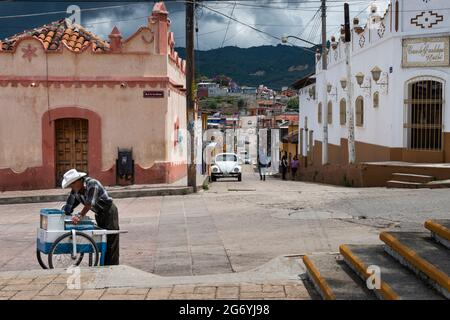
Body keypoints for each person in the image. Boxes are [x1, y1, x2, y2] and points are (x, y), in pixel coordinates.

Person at [61, 169, 120, 265]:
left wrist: (79, 216)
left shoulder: (92, 184)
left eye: (72, 184)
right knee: (103, 239)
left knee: (111, 240)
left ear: (79, 181)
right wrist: (63, 214)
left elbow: (89, 204)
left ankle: (112, 266)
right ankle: (105, 263)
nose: (71, 187)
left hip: (109, 212)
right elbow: (69, 205)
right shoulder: (76, 190)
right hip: (99, 214)